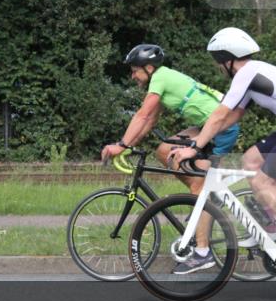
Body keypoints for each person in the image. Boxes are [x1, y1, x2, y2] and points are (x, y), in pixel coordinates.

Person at [169, 28, 276, 271]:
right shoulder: (252, 76)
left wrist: (194, 146)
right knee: (250, 160)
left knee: (263, 183)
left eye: (218, 62)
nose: (218, 67)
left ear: (227, 59)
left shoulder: (247, 73)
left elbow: (219, 115)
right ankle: (268, 229)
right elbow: (231, 117)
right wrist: (204, 140)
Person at [100, 44, 240, 274]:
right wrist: (127, 145)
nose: (133, 76)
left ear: (149, 67)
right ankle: (203, 197)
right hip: (210, 125)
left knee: (199, 188)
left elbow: (142, 115)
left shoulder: (160, 79)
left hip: (221, 128)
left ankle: (203, 251)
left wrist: (121, 145)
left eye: (135, 70)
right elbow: (149, 121)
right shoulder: (161, 80)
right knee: (165, 150)